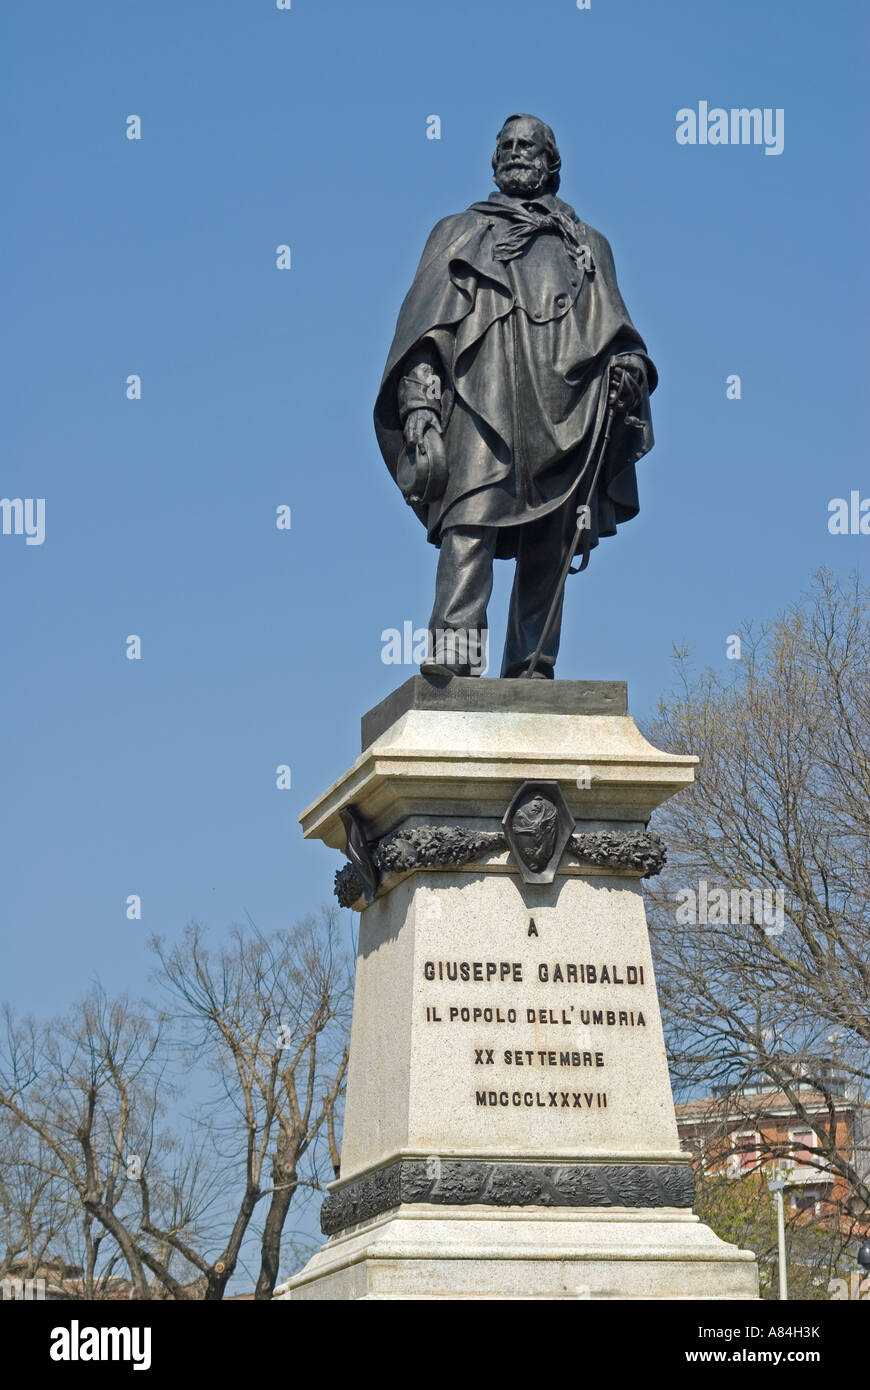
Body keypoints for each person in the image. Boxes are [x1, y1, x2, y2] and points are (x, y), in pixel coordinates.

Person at [374, 114, 656, 678]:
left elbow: (618, 332)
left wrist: (628, 368)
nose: (514, 152)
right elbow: (427, 335)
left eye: (528, 145)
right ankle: (454, 658)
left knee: (551, 543)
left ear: (553, 162)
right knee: (469, 523)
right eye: (504, 145)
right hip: (484, 402)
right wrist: (421, 407)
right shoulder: (459, 232)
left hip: (566, 406)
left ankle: (532, 667)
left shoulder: (587, 244)